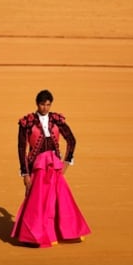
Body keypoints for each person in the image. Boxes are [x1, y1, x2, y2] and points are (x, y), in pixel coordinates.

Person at [11, 89, 91, 247]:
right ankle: (34, 235)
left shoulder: (57, 120)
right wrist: (25, 173)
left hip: (54, 165)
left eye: (48, 104)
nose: (45, 108)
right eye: (42, 104)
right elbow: (21, 148)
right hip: (38, 167)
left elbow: (72, 140)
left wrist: (67, 162)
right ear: (37, 104)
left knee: (60, 199)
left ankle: (65, 232)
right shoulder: (27, 122)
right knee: (38, 201)